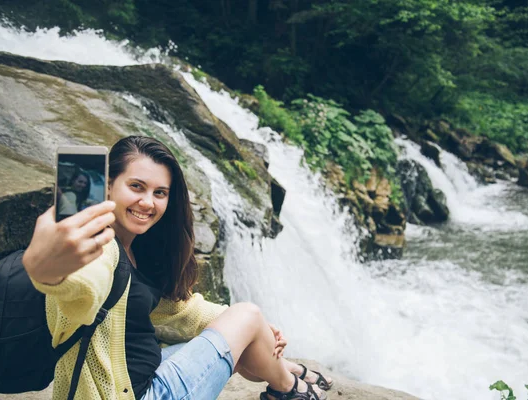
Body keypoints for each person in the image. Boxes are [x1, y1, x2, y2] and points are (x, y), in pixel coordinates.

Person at [22, 136, 333, 400]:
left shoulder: (132, 249)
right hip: (133, 394)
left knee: (248, 337)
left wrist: (261, 332)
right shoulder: (99, 251)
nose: (147, 202)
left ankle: (281, 369)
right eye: (136, 186)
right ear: (107, 187)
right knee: (247, 315)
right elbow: (79, 286)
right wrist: (45, 269)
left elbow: (184, 312)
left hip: (137, 384)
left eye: (159, 193)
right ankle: (292, 390)